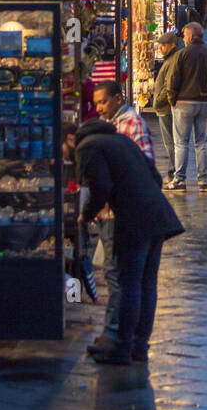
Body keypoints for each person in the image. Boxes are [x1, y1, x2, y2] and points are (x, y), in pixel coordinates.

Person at [77, 119, 184, 365]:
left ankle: (122, 348)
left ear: (71, 139)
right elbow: (155, 176)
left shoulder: (88, 147)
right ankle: (139, 347)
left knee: (129, 284)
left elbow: (100, 187)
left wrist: (86, 215)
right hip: (158, 215)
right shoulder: (121, 140)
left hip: (134, 221)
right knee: (146, 284)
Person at [88, 80, 156, 356]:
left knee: (123, 278)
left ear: (118, 98)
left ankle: (120, 339)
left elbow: (145, 167)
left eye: (103, 102)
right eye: (96, 103)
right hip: (127, 211)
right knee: (131, 279)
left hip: (124, 213)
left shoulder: (131, 124)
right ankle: (129, 341)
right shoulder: (114, 125)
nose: (99, 108)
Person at [166, 22, 207, 192]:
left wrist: (172, 99)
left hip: (184, 102)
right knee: (202, 142)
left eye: (184, 36)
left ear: (190, 36)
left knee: (181, 143)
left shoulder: (181, 55)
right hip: (205, 103)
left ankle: (179, 179)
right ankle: (203, 180)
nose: (183, 39)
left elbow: (173, 79)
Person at [151, 31, 182, 183]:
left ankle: (174, 172)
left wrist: (158, 102)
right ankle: (174, 170)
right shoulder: (170, 59)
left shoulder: (172, 60)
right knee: (171, 142)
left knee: (170, 142)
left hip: (165, 108)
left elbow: (168, 85)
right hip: (166, 107)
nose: (160, 49)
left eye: (163, 46)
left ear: (172, 45)